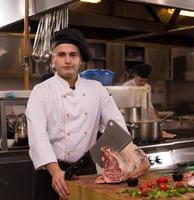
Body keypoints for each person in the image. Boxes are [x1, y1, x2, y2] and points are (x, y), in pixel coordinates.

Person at [26, 28, 128, 200]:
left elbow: (117, 127)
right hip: (51, 172)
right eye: (61, 55)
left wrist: (113, 160)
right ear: (53, 59)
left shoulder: (96, 89)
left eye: (73, 55)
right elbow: (37, 136)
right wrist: (55, 171)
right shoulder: (41, 91)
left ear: (80, 60)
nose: (67, 60)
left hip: (86, 172)